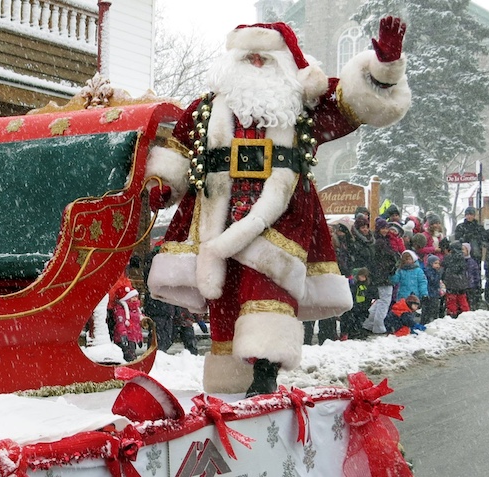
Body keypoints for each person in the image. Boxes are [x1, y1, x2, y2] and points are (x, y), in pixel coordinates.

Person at [145, 17, 411, 396]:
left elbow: (354, 104)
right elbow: (179, 153)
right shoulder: (206, 109)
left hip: (282, 217)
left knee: (268, 288)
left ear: (286, 62)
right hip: (218, 215)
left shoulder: (304, 106)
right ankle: (228, 378)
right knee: (226, 297)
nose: (255, 63)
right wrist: (164, 185)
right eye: (248, 57)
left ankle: (265, 369)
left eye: (265, 57)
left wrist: (383, 67)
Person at [365, 217, 401, 334]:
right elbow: (385, 258)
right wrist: (392, 263)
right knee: (385, 300)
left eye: (386, 228)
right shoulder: (380, 242)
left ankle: (369, 323)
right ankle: (378, 326)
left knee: (381, 300)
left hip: (382, 274)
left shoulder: (381, 240)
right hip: (382, 274)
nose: (385, 231)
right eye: (383, 228)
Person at [109, 277, 144, 362]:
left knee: (132, 353)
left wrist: (139, 338)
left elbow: (137, 327)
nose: (135, 299)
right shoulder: (121, 310)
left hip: (133, 338)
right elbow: (120, 323)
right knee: (129, 355)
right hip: (125, 338)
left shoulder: (136, 310)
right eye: (133, 297)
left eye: (136, 297)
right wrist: (123, 335)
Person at [442, 241, 471, 317]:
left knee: (451, 300)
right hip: (462, 284)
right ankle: (466, 313)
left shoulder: (449, 257)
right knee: (462, 299)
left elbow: (444, 264)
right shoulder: (462, 258)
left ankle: (452, 313)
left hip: (451, 283)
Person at [344, 268, 374, 340]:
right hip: (356, 305)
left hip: (363, 306)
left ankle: (357, 331)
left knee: (360, 320)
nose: (362, 278)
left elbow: (370, 295)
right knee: (354, 320)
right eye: (361, 276)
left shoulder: (368, 285)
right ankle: (353, 332)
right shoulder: (355, 284)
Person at [421, 254, 443, 324]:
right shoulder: (429, 271)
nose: (437, 265)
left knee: (434, 309)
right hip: (429, 293)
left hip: (434, 293)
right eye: (435, 263)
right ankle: (426, 322)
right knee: (427, 310)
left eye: (438, 263)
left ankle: (431, 321)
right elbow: (433, 281)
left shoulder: (435, 272)